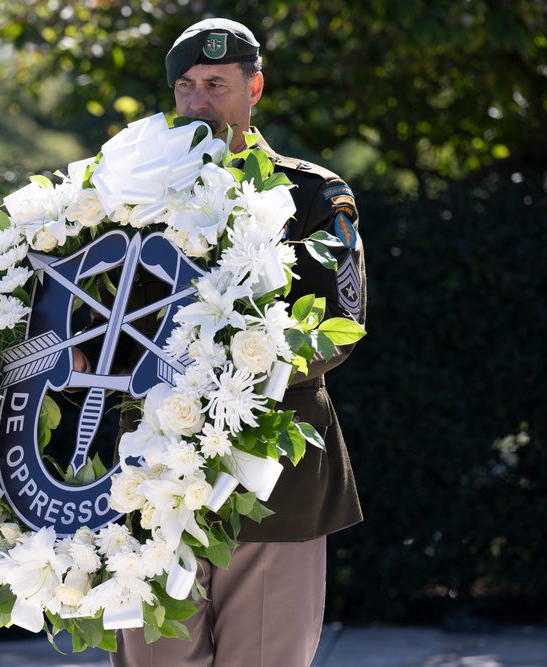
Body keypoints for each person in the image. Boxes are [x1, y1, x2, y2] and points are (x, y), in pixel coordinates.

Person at [100, 17, 368, 667]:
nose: (197, 102)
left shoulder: (312, 196)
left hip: (274, 484)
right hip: (152, 478)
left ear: (255, 88)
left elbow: (339, 326)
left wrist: (223, 380)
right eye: (186, 86)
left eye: (216, 84)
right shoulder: (128, 196)